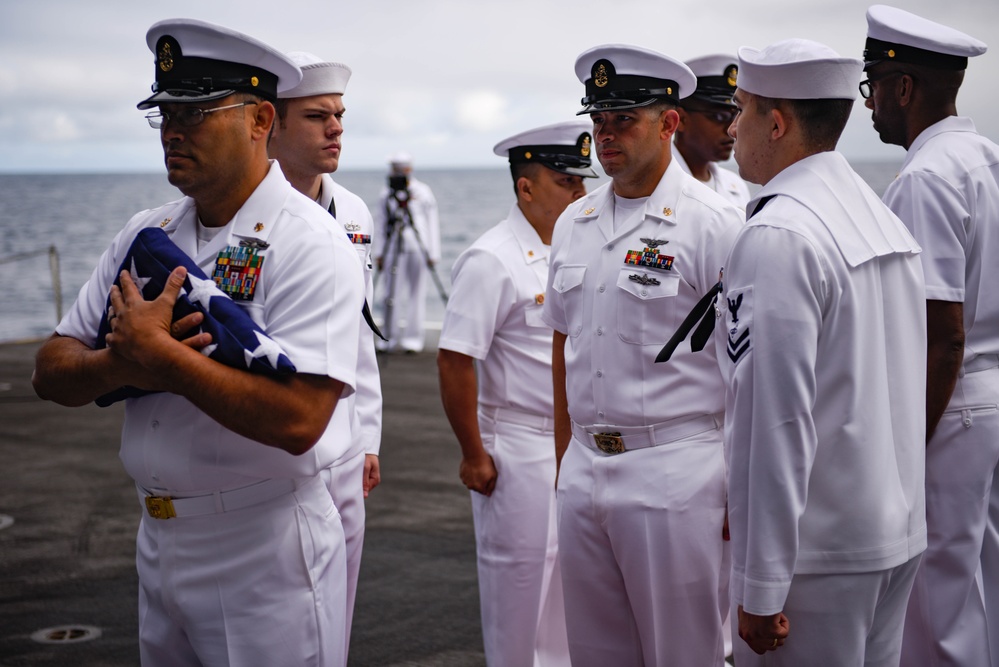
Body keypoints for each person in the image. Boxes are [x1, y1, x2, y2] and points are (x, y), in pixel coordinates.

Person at [31, 19, 363, 666]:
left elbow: (302, 420)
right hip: (157, 537)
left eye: (197, 112)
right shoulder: (146, 233)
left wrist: (166, 361)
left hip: (262, 548)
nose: (175, 131)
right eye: (166, 114)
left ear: (260, 119)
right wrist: (117, 363)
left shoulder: (311, 243)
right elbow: (52, 366)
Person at [720, 38, 927, 665]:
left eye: (742, 109)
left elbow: (775, 424)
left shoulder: (780, 233)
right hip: (891, 535)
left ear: (776, 123)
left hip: (817, 558)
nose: (731, 128)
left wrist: (760, 584)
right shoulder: (879, 216)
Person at [542, 44, 743, 666]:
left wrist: (739, 491)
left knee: (684, 654)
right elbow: (562, 343)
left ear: (670, 122)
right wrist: (563, 466)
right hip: (586, 470)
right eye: (599, 122)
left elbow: (748, 370)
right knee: (595, 654)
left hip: (677, 471)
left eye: (624, 120)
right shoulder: (573, 222)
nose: (606, 137)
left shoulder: (716, 224)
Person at [860, 5, 999, 664]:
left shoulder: (924, 177)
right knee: (984, 598)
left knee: (937, 614)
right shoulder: (985, 158)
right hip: (989, 398)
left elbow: (940, 334)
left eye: (872, 86)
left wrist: (901, 453)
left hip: (952, 407)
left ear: (903, 88)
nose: (869, 105)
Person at [438, 120, 596, 667]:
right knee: (519, 589)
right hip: (518, 445)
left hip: (571, 444)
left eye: (582, 183)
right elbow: (456, 359)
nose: (580, 193)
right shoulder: (491, 259)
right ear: (525, 187)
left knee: (568, 594)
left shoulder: (576, 248)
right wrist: (474, 453)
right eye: (566, 182)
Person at [267, 50, 382, 661]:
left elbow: (361, 336)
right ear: (272, 125)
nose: (336, 127)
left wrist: (370, 438)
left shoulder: (355, 213)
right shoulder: (249, 214)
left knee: (337, 614)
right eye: (317, 116)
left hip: (343, 447)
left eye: (339, 115)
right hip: (279, 447)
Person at [373, 151, 441, 353]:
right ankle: (387, 339)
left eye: (401, 169)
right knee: (390, 294)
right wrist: (379, 252)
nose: (398, 173)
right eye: (395, 169)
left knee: (417, 294)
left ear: (409, 169)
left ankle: (413, 341)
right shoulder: (386, 193)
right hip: (393, 248)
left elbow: (432, 222)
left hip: (418, 248)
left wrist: (433, 252)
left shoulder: (423, 192)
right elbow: (381, 222)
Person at [674, 54, 753, 208]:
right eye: (719, 116)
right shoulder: (651, 186)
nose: (731, 129)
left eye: (737, 114)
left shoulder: (736, 186)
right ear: (681, 119)